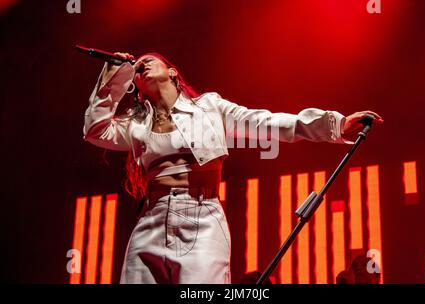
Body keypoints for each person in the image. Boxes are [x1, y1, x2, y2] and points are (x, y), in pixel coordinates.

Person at [83, 51, 384, 284]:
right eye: (137, 67)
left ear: (172, 72)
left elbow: (266, 122)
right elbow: (94, 129)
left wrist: (335, 125)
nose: (142, 65)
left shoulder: (209, 108)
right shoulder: (137, 124)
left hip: (201, 217)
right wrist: (115, 77)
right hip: (151, 219)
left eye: (150, 60)